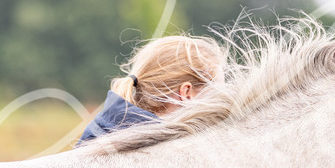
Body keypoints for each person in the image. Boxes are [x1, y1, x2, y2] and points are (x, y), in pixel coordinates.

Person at [76, 35, 224, 145]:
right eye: (217, 95)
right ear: (186, 93)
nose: (222, 106)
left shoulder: (101, 133)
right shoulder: (161, 155)